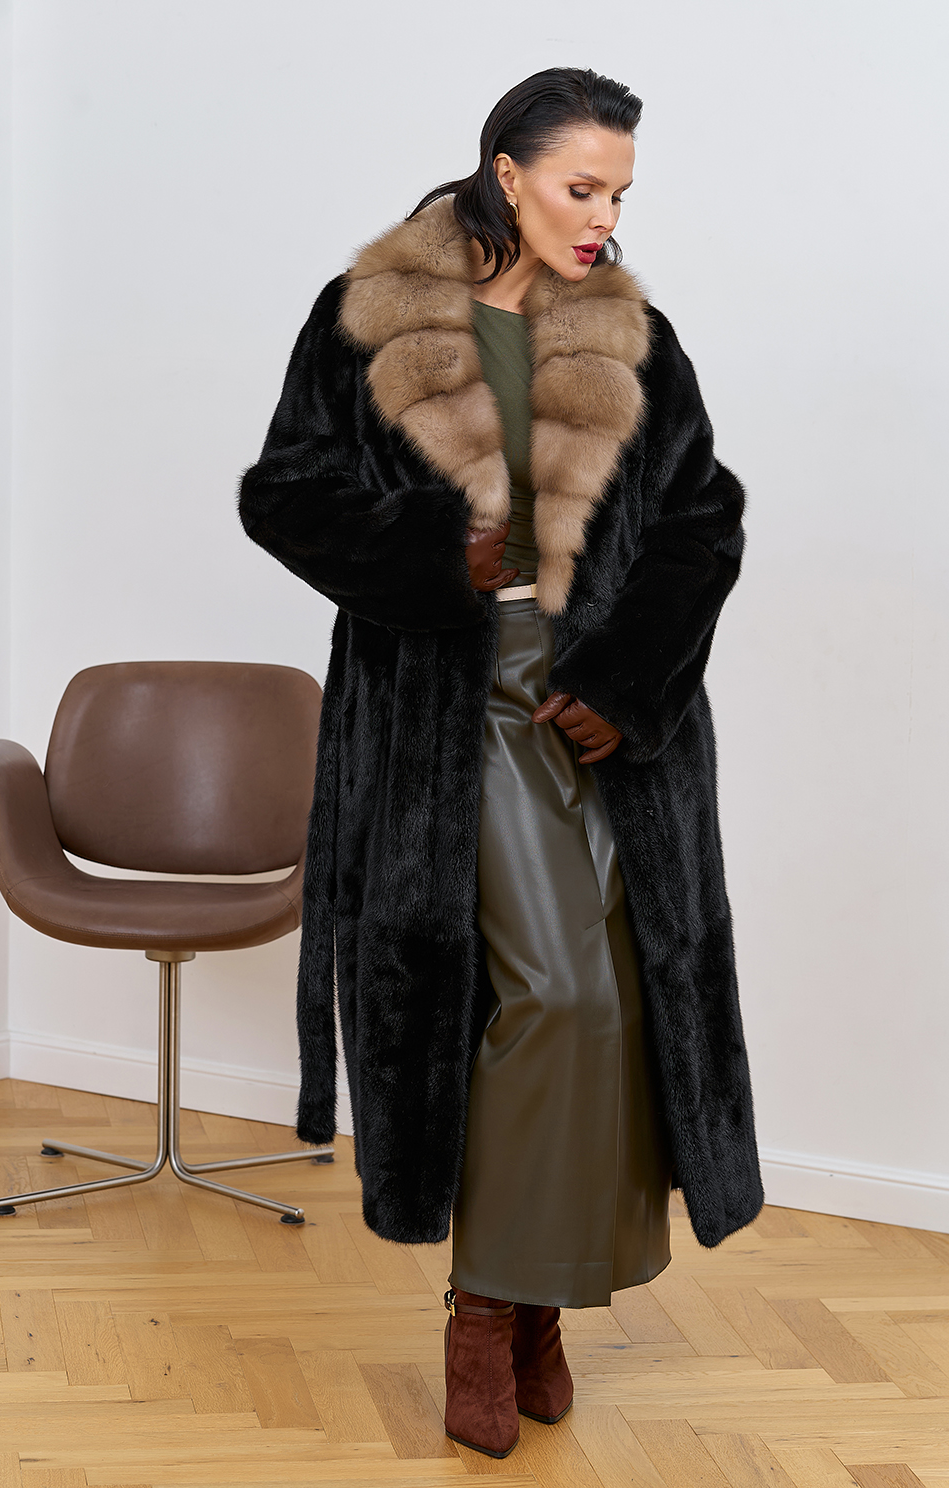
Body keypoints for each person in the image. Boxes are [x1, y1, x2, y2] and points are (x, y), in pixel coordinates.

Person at [238, 66, 763, 1459]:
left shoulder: (635, 335)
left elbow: (703, 517)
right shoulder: (368, 317)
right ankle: (484, 1306)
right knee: (558, 996)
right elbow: (283, 492)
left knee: (621, 1005)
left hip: (608, 715)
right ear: (508, 172)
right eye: (582, 188)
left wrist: (629, 679)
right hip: (449, 706)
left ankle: (540, 1304)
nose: (604, 219)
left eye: (621, 195)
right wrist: (433, 553)